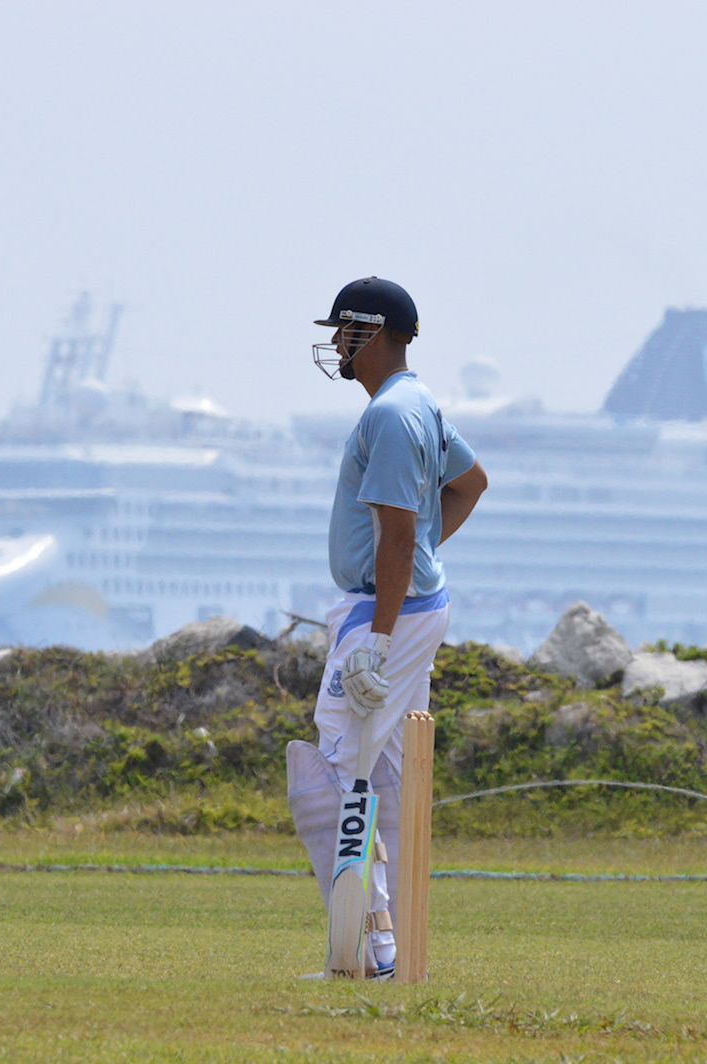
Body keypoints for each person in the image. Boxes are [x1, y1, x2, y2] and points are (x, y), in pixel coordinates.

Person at [287, 276, 488, 978]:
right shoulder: (418, 403)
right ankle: (389, 948)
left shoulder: (392, 417)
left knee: (337, 768)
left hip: (388, 611)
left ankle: (366, 949)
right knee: (391, 773)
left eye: (342, 331)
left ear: (369, 332)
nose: (335, 344)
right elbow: (469, 484)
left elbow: (398, 538)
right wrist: (419, 567)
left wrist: (376, 637)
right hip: (409, 606)